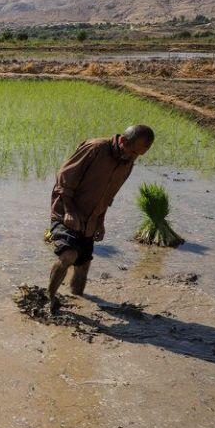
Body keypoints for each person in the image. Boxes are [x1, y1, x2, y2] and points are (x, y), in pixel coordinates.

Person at [46, 125, 155, 314]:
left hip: (90, 219)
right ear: (122, 141)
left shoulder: (127, 163)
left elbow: (108, 196)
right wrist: (70, 211)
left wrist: (101, 221)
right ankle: (50, 300)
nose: (133, 157)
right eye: (132, 152)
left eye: (139, 155)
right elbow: (63, 180)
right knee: (68, 256)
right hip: (66, 211)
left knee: (83, 265)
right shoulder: (95, 148)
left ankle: (78, 302)